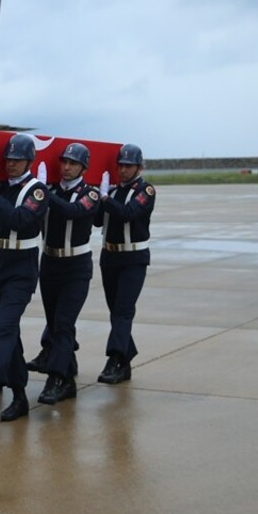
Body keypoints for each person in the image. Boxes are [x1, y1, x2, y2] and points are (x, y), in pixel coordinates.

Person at [0, 133, 48, 422]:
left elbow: (20, 220)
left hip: (20, 267)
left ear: (29, 160)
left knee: (5, 327)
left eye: (17, 160)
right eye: (8, 160)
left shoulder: (36, 189)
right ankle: (19, 395)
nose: (12, 164)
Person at [32, 143, 100, 404]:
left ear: (84, 167)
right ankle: (68, 377)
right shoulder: (48, 191)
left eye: (73, 163)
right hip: (50, 264)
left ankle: (55, 379)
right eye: (64, 162)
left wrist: (44, 194)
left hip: (76, 267)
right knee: (57, 324)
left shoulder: (90, 194)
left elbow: (73, 211)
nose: (67, 167)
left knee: (63, 323)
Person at [95, 143, 156, 385]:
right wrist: (99, 199)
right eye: (120, 165)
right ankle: (125, 362)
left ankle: (114, 360)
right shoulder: (112, 191)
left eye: (128, 166)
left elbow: (128, 212)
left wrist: (105, 198)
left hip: (133, 259)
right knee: (116, 312)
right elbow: (98, 222)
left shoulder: (146, 190)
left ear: (139, 167)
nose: (123, 170)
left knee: (123, 310)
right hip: (109, 257)